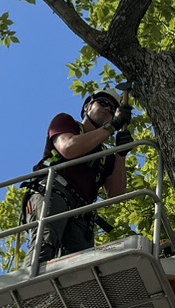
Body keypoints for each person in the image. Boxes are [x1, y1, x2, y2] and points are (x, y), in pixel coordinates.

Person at [28, 89, 133, 265]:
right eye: (103, 103)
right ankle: (28, 289)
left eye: (113, 108)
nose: (108, 109)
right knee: (45, 246)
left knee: (79, 267)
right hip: (53, 193)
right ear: (87, 107)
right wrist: (112, 127)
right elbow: (69, 148)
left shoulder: (105, 157)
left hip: (81, 215)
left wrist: (121, 155)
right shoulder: (66, 123)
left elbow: (117, 194)